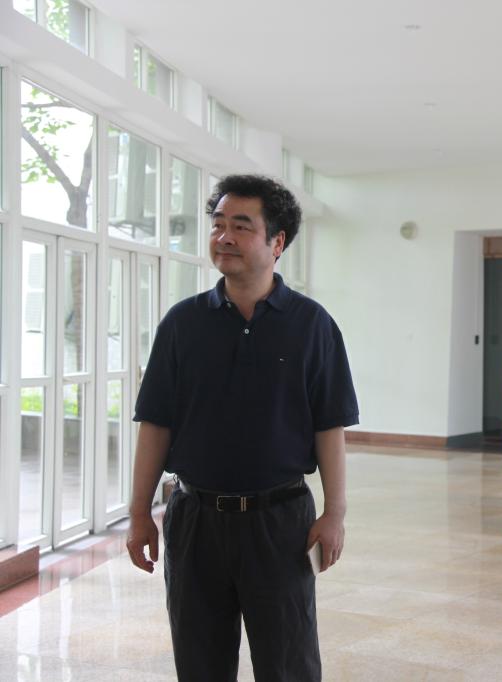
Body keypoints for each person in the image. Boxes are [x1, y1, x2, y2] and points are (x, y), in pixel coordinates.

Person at [125, 174, 358, 681]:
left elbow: (330, 427)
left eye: (241, 226)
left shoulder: (312, 325)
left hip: (280, 522)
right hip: (195, 519)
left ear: (277, 242)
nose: (224, 236)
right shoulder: (182, 324)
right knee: (199, 662)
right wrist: (139, 512)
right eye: (218, 224)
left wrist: (335, 513)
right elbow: (156, 424)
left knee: (288, 662)